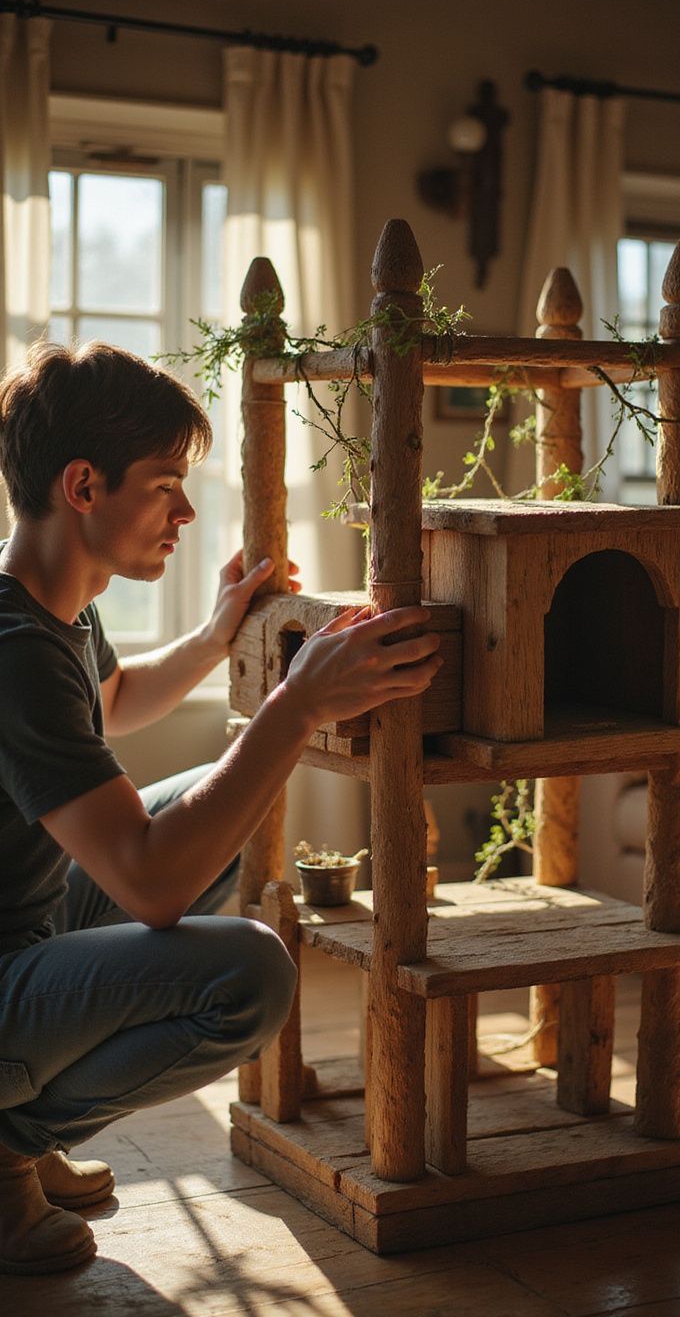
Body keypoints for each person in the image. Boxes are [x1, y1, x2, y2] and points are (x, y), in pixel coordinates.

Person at [0, 340, 442, 1275]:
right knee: (250, 974)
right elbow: (156, 885)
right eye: (164, 485)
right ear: (84, 485)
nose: (185, 512)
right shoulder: (13, 650)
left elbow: (112, 702)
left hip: (25, 930)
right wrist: (299, 702)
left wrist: (213, 636)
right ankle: (5, 1147)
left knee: (217, 827)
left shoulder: (55, 605)